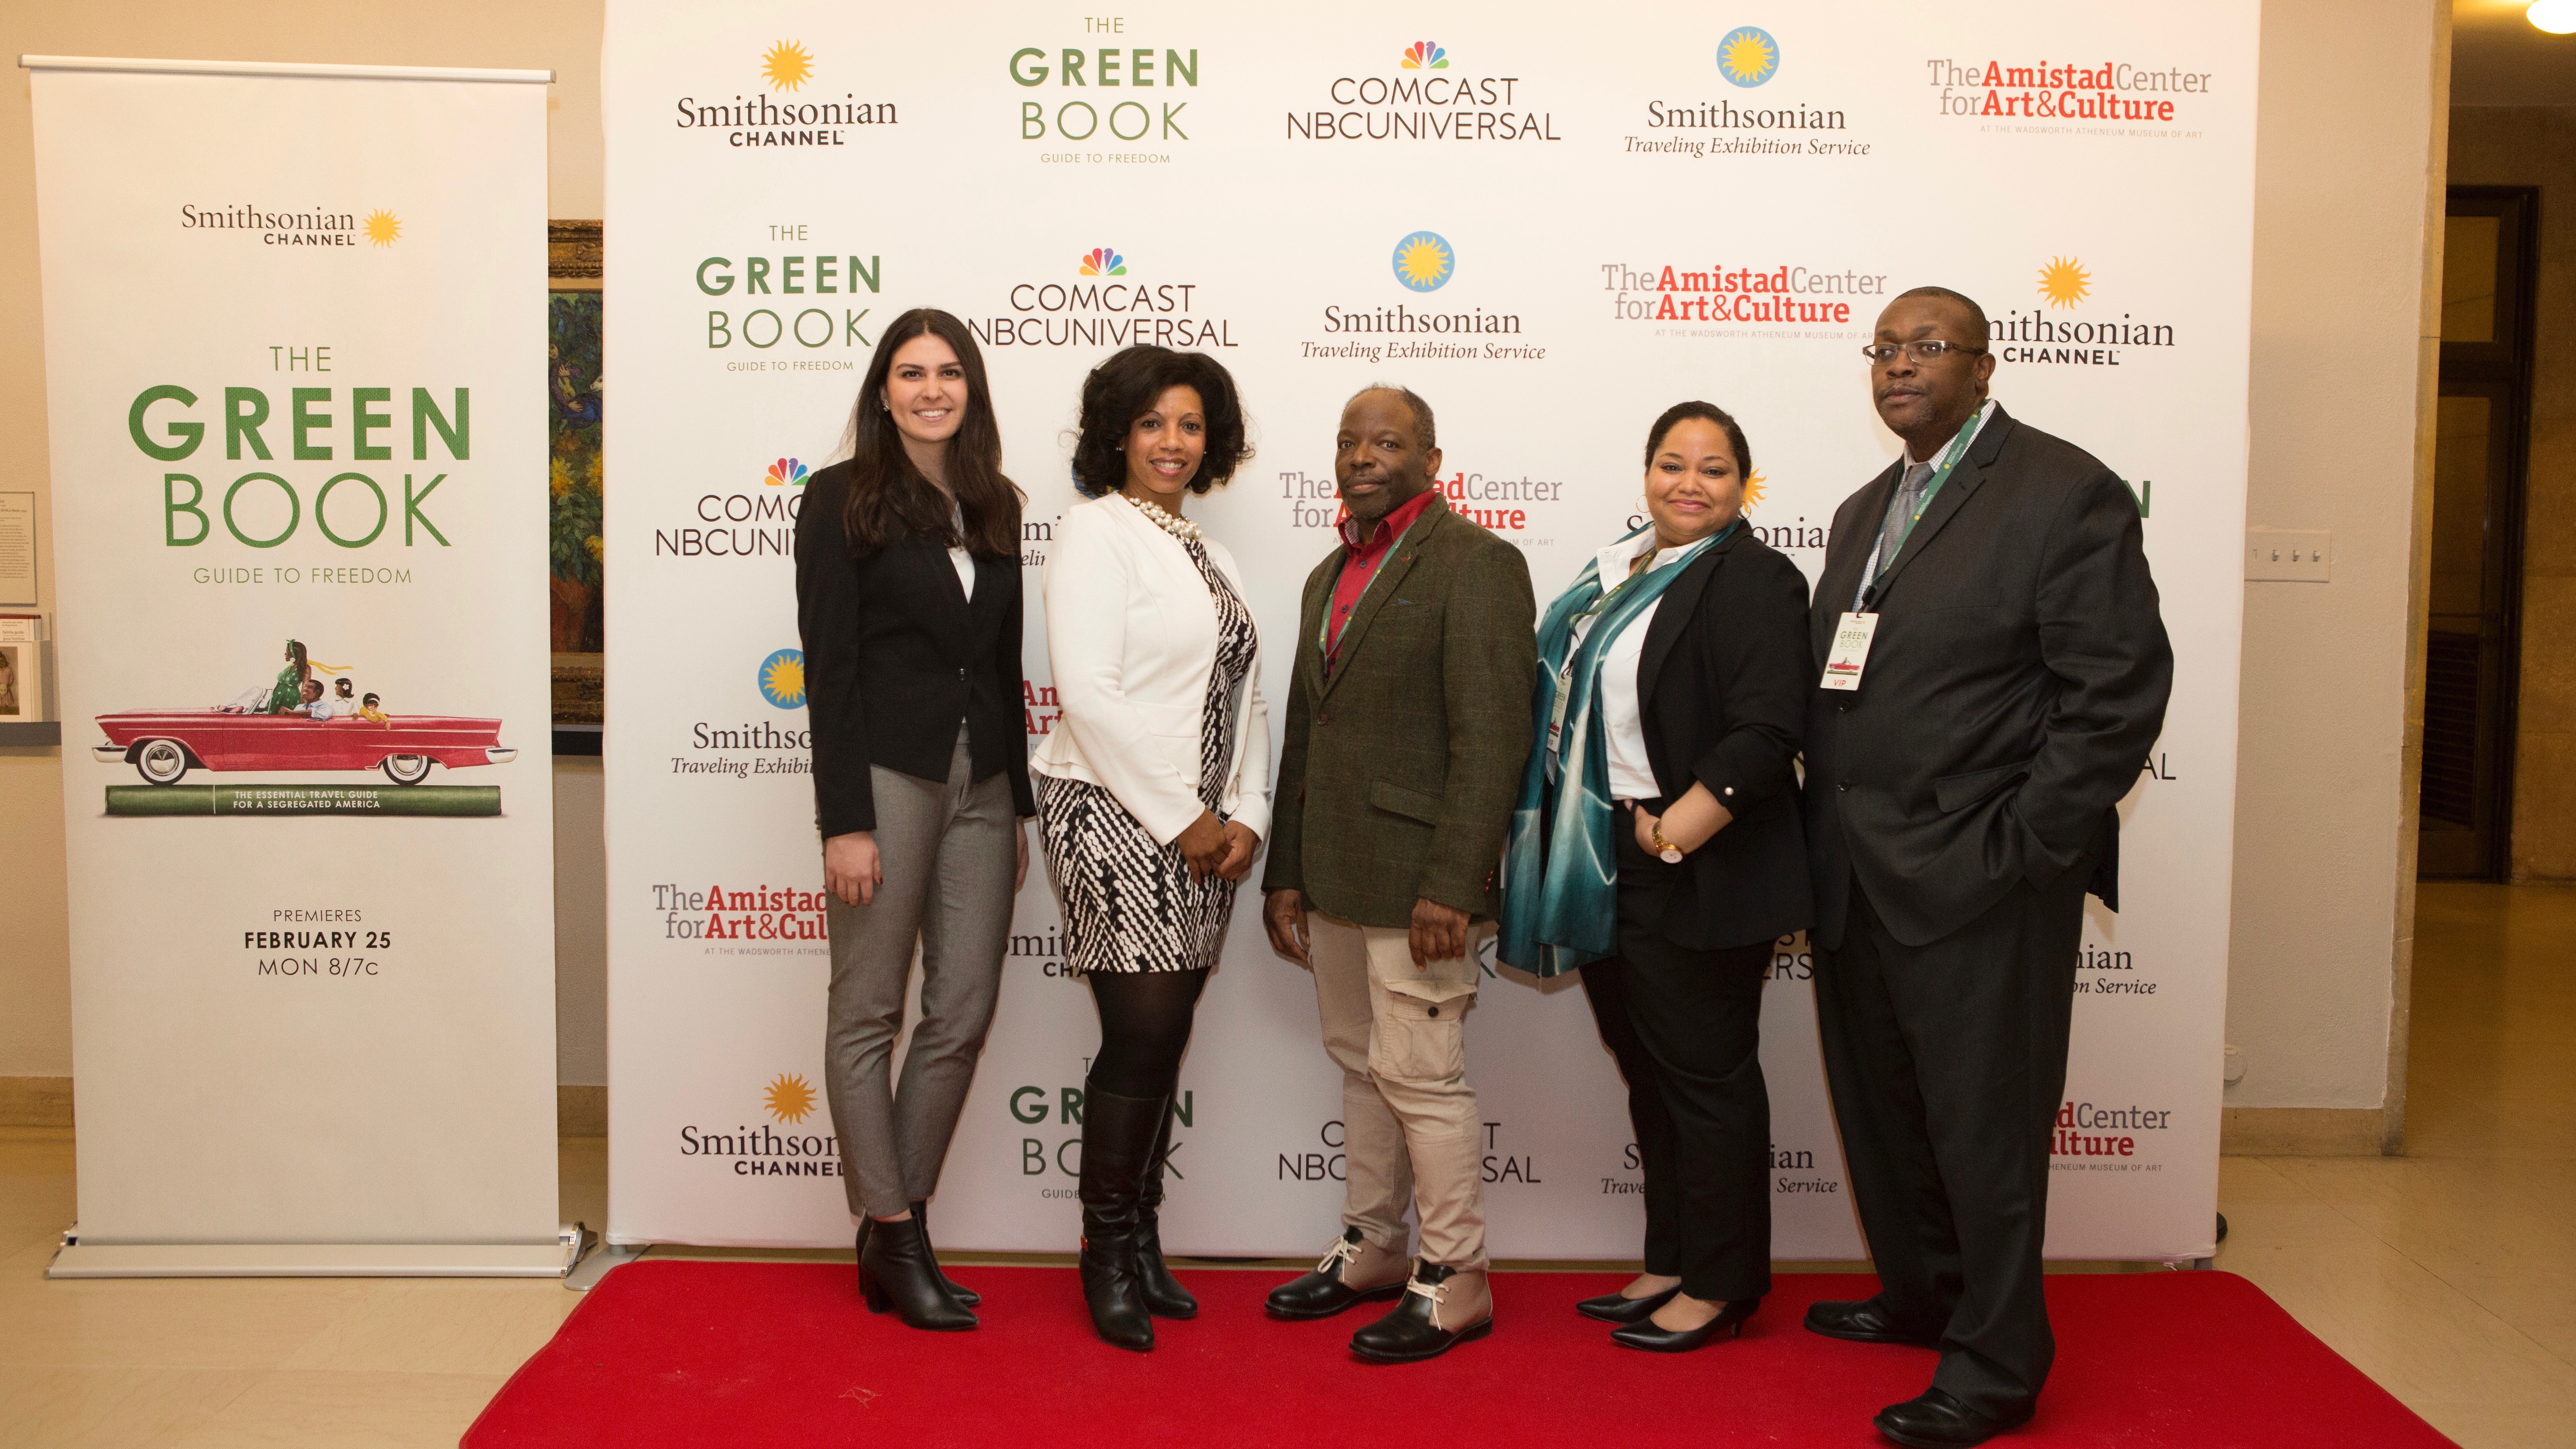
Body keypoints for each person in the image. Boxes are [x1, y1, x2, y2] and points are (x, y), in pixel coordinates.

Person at [1802, 287, 2171, 1447]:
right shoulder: (1869, 509)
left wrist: (2021, 846)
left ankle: (1999, 1360)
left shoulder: (2064, 492)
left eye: (1929, 347)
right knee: (1889, 1115)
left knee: (1983, 1127)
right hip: (1856, 876)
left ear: (1984, 363)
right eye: (1886, 349)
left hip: (1982, 876)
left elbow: (2117, 695)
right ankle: (1924, 1297)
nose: (1901, 365)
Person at [1496, 401, 1812, 1352]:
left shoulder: (1754, 577)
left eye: (1714, 469)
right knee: (1650, 1074)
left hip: (1695, 865)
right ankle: (1674, 1256)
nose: (1689, 483)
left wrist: (1674, 833)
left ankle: (1723, 1284)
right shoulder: (1617, 574)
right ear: (1646, 476)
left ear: (1742, 486)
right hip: (1600, 860)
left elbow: (1768, 730)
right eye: (1672, 464)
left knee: (1707, 1081)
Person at [1259, 385, 1536, 1364]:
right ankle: (1375, 1247)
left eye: (1387, 441)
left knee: (1424, 1081)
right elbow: (1307, 733)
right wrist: (1285, 870)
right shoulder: (1327, 572)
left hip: (1421, 883)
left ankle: (1457, 1280)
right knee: (1362, 1067)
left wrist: (1455, 884)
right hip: (1334, 878)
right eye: (1348, 440)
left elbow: (1495, 737)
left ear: (1431, 456)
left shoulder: (1479, 564)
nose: (1363, 455)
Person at [795, 307, 1034, 1334]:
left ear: (971, 389)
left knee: (964, 1009)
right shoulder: (839, 499)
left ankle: (896, 1227)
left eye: (949, 373)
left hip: (982, 784)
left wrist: (1015, 803)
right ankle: (897, 1231)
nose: (931, 388)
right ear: (881, 390)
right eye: (910, 372)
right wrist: (845, 822)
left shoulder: (997, 503)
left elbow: (1003, 663)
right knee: (867, 1013)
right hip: (887, 779)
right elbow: (830, 670)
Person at [1030, 345, 1267, 1352]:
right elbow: (1089, 694)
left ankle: (1144, 1241)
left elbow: (1246, 697)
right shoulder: (1095, 532)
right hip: (1114, 813)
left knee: (1164, 1037)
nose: (1173, 443)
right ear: (1117, 436)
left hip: (1207, 828)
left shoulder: (1210, 550)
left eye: (1190, 426)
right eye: (1153, 424)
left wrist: (1246, 809)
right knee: (1139, 1036)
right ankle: (1104, 1251)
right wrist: (1188, 819)